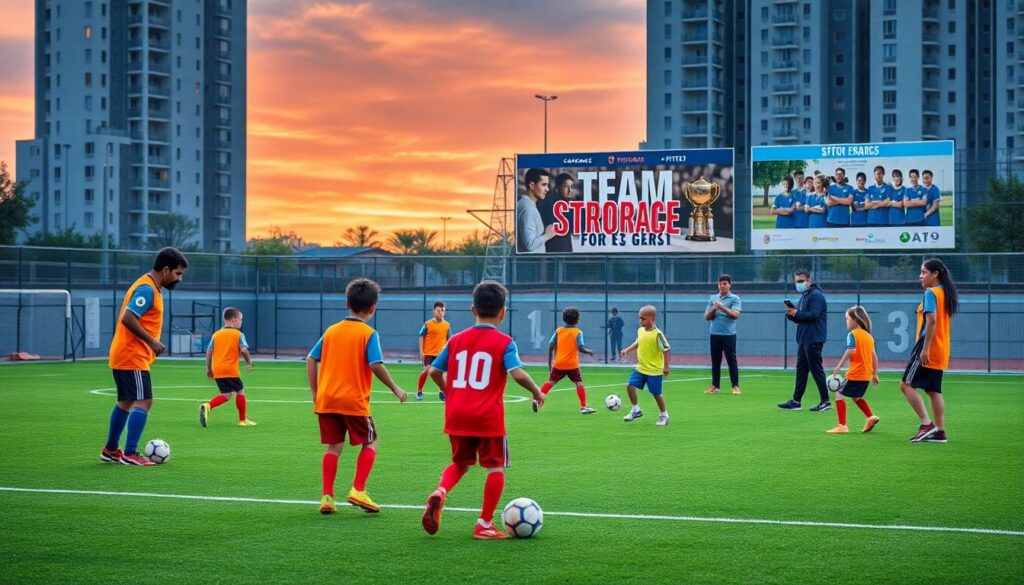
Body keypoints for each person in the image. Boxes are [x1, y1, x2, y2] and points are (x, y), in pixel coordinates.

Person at [420, 281, 546, 540]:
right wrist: (537, 391)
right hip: (487, 417)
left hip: (457, 413)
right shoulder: (504, 342)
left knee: (460, 463)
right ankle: (484, 523)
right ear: (503, 312)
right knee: (496, 466)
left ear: (472, 310)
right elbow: (517, 373)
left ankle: (441, 491)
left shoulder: (456, 340)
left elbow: (433, 371)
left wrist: (451, 393)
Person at [307, 278, 408, 515]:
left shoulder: (331, 330)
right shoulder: (368, 333)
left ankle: (327, 497)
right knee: (371, 441)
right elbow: (376, 364)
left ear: (347, 303)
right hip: (353, 402)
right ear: (373, 307)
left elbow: (311, 358)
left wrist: (315, 392)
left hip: (328, 400)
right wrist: (395, 388)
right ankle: (358, 489)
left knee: (334, 446)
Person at [100, 247, 189, 466]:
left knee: (126, 401)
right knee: (144, 400)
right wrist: (152, 341)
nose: (180, 278)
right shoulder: (147, 289)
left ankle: (111, 450)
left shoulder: (152, 288)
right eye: (178, 273)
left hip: (127, 354)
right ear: (166, 270)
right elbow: (128, 318)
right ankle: (130, 453)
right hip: (133, 355)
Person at [901, 259, 959, 443]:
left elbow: (932, 320)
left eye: (924, 272)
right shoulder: (946, 293)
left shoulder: (930, 293)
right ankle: (940, 432)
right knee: (933, 391)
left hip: (928, 347)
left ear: (935, 274)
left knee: (905, 385)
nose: (920, 276)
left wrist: (925, 349)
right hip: (941, 348)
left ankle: (926, 425)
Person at [778, 269, 831, 412]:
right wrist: (791, 314)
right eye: (797, 281)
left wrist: (797, 313)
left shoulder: (816, 296)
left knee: (816, 370)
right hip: (804, 339)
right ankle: (796, 401)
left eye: (801, 281)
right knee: (801, 370)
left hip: (813, 338)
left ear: (809, 281)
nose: (799, 284)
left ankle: (826, 401)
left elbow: (813, 315)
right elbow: (801, 318)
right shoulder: (805, 296)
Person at [826, 306, 880, 434]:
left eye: (847, 319)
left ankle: (842, 425)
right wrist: (875, 374)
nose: (846, 321)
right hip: (866, 374)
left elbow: (850, 350)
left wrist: (839, 365)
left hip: (855, 373)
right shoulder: (869, 337)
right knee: (856, 396)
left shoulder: (852, 334)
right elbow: (874, 356)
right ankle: (870, 417)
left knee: (839, 393)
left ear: (855, 320)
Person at [199, 307, 255, 427]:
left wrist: (209, 369)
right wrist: (249, 362)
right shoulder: (238, 334)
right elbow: (244, 350)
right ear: (234, 319)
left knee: (226, 395)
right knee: (240, 391)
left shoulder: (216, 335)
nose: (241, 322)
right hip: (231, 369)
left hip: (217, 370)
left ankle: (207, 406)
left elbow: (209, 352)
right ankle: (243, 419)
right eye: (241, 319)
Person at [620, 305, 672, 426]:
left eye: (643, 319)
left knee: (656, 393)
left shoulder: (658, 334)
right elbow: (638, 342)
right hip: (641, 368)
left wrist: (666, 367)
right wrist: (627, 350)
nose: (640, 321)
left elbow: (665, 350)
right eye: (639, 318)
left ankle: (664, 415)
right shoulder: (641, 330)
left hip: (654, 370)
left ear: (652, 319)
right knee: (630, 386)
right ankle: (636, 410)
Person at [541, 307, 596, 414]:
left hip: (559, 363)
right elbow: (580, 348)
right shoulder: (577, 332)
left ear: (564, 319)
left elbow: (551, 346)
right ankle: (583, 407)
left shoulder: (558, 331)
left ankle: (537, 399)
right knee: (579, 383)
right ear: (577, 320)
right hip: (572, 365)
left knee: (551, 382)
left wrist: (549, 362)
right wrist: (588, 351)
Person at [704, 274, 741, 395]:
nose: (722, 286)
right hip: (714, 334)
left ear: (729, 285)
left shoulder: (734, 298)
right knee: (715, 361)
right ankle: (715, 386)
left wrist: (722, 307)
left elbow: (736, 315)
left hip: (729, 335)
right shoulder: (713, 298)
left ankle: (735, 386)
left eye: (724, 284)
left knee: (731, 360)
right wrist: (714, 309)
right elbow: (707, 317)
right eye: (720, 284)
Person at [516, 168, 556, 253]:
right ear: (532, 185)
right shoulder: (528, 209)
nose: (547, 189)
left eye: (547, 185)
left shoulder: (523, 204)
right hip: (531, 263)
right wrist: (547, 235)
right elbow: (530, 245)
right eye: (543, 185)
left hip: (529, 263)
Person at [417, 301, 450, 401]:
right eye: (438, 311)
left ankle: (442, 392)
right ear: (434, 311)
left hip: (440, 354)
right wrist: (421, 351)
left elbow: (448, 339)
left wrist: (447, 350)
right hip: (428, 353)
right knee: (427, 370)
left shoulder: (447, 325)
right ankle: (419, 391)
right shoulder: (428, 324)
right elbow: (421, 336)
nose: (441, 313)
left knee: (443, 373)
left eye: (443, 311)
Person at [545, 173, 576, 253]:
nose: (570, 190)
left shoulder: (564, 203)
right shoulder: (554, 203)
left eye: (572, 187)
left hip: (561, 253)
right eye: (565, 186)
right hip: (558, 252)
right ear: (557, 188)